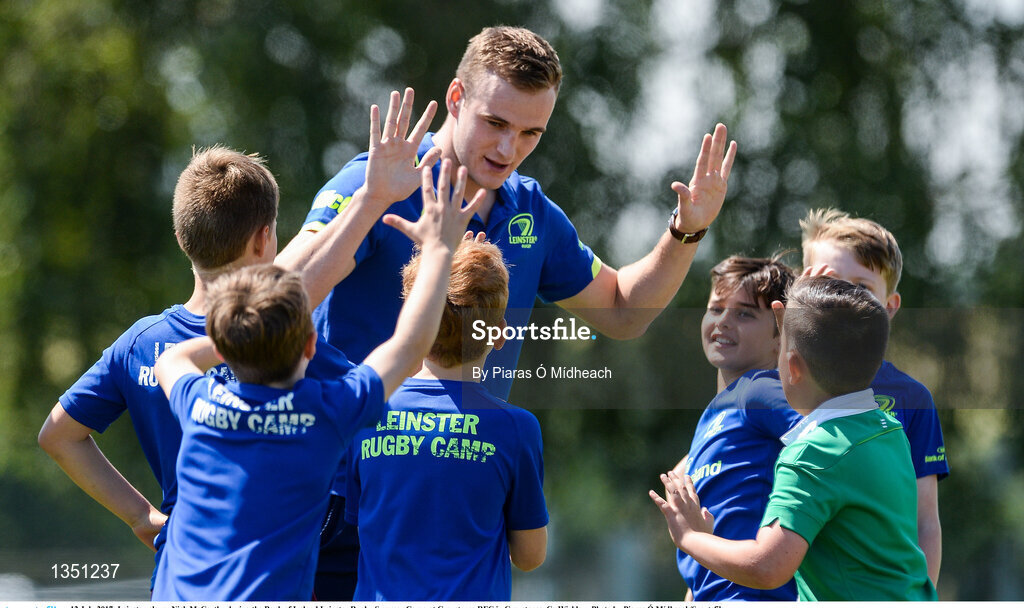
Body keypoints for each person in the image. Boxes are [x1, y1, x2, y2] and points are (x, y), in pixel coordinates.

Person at [295, 25, 736, 598]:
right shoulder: (376, 181)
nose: (509, 149)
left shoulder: (532, 214)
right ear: (457, 99)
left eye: (531, 132)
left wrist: (687, 229)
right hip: (345, 499)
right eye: (495, 124)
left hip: (463, 504)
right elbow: (278, 296)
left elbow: (625, 311)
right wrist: (371, 201)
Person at [36, 90, 440, 585]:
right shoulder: (291, 349)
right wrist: (385, 208)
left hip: (181, 578)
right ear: (264, 239)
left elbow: (58, 436)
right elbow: (404, 351)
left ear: (184, 238)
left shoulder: (144, 347)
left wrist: (140, 516)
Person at [150, 162, 481, 600]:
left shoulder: (199, 403)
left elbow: (173, 358)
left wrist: (239, 335)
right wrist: (439, 251)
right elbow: (409, 345)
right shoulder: (326, 413)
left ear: (226, 349)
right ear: (311, 345)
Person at [651, 276, 937, 601]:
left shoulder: (812, 453)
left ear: (793, 367)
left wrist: (690, 537)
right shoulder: (888, 430)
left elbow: (767, 567)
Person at [345, 238, 547, 601]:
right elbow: (530, 556)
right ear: (498, 334)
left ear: (413, 324)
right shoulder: (517, 429)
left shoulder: (365, 410)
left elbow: (363, 521)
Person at [800, 208, 947, 585]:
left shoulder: (912, 398)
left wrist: (921, 594)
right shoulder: (777, 384)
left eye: (862, 288)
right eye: (829, 281)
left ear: (890, 307)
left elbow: (924, 520)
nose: (843, 297)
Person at [671, 255, 801, 601]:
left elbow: (825, 438)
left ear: (780, 336)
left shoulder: (761, 389)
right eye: (716, 308)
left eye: (745, 313)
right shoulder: (714, 413)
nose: (724, 321)